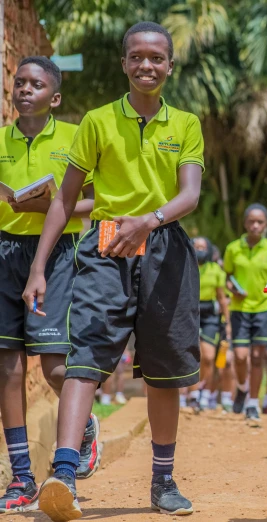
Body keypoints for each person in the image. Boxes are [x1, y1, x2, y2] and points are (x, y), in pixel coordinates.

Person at [23, 21, 204, 519]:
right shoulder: (97, 122)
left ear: (170, 65)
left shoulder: (186, 123)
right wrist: (39, 266)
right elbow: (64, 201)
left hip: (166, 248)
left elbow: (189, 194)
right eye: (137, 57)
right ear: (124, 64)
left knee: (165, 372)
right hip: (106, 248)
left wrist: (150, 220)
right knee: (84, 358)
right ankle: (63, 474)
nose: (147, 65)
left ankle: (163, 483)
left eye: (156, 58)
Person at [0, 56, 97, 512]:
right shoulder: (1, 140)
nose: (24, 89)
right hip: (5, 251)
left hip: (58, 254)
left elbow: (95, 201)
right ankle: (21, 478)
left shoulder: (75, 136)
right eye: (19, 82)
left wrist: (49, 209)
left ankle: (86, 424)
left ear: (54, 97)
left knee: (55, 364)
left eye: (35, 84)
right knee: (8, 365)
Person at [224, 203, 267, 421]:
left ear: (266, 225)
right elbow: (228, 276)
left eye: (260, 222)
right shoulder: (232, 248)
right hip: (239, 309)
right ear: (245, 222)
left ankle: (252, 403)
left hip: (264, 308)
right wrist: (232, 289)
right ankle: (241, 387)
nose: (255, 225)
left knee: (258, 357)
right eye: (251, 221)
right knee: (239, 357)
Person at [188, 236, 230, 411]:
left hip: (210, 316)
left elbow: (221, 298)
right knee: (191, 356)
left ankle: (204, 391)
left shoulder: (216, 271)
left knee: (209, 357)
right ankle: (192, 394)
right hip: (189, 314)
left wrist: (227, 322)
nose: (200, 250)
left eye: (203, 247)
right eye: (196, 246)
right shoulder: (185, 267)